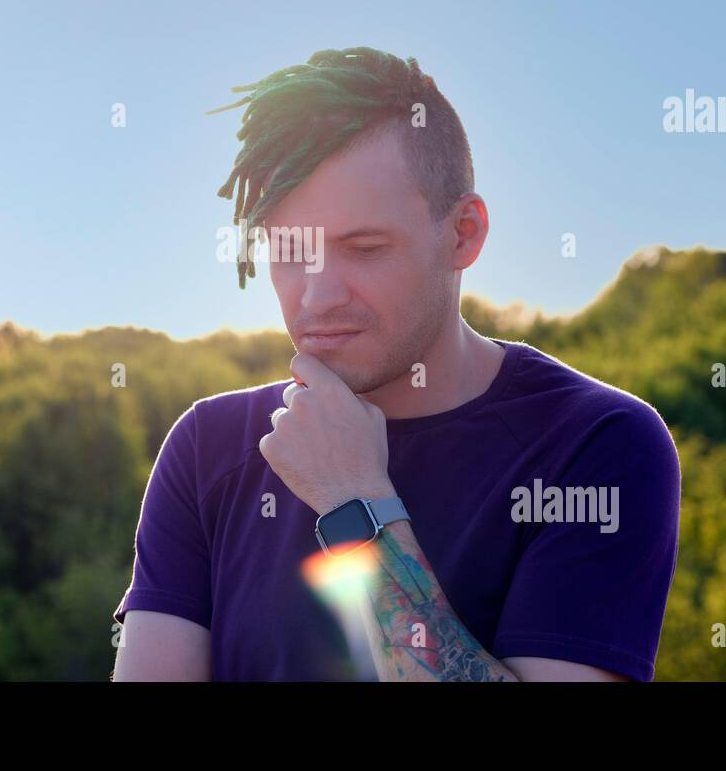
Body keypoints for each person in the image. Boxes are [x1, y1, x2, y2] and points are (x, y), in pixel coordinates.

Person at [111, 46, 681, 681]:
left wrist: (354, 500)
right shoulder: (207, 446)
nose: (317, 296)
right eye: (289, 251)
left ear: (463, 233)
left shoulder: (594, 444)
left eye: (364, 248)